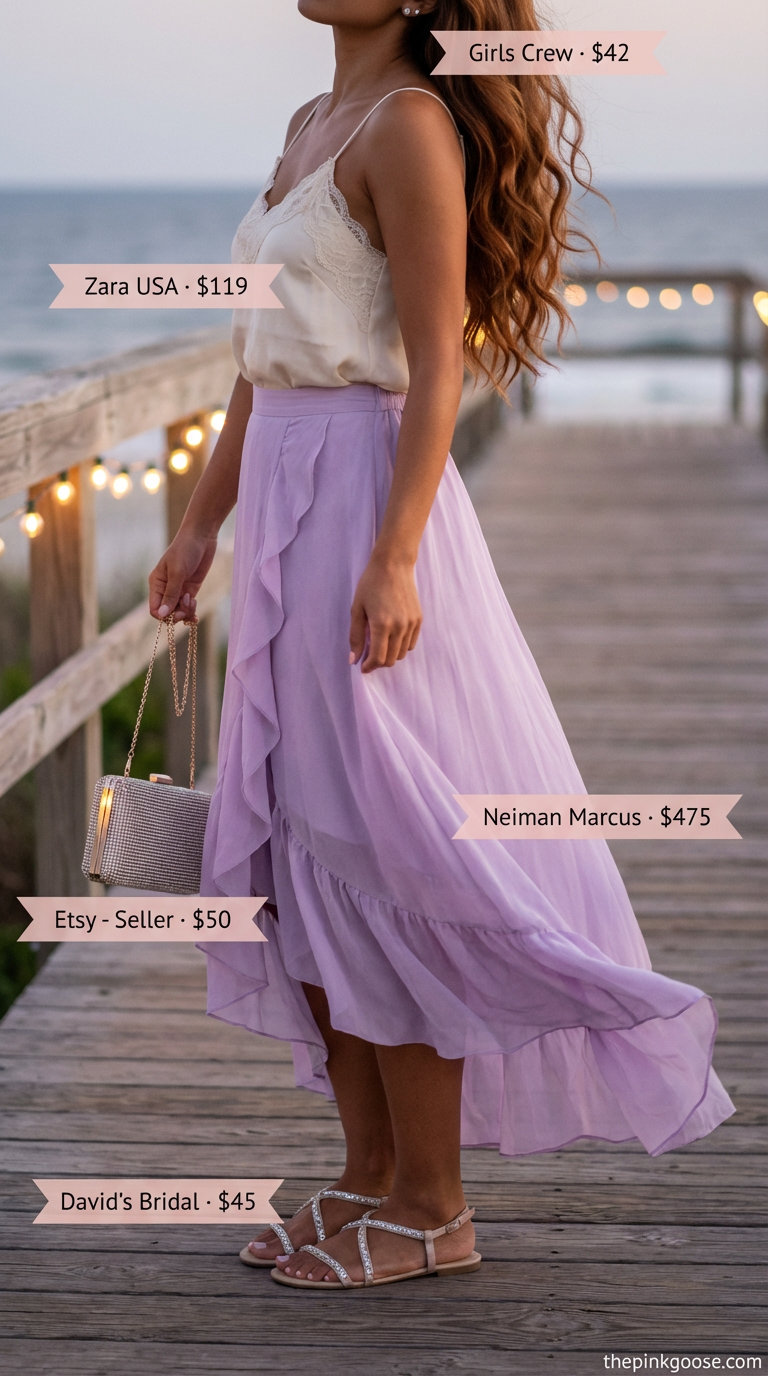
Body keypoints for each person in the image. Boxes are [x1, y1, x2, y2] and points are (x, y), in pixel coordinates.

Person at [148, 0, 736, 1291]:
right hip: (289, 504)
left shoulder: (411, 125)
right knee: (301, 845)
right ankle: (366, 1182)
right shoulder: (314, 122)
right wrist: (199, 523)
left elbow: (436, 360)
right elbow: (259, 355)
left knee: (389, 842)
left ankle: (434, 1206)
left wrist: (398, 553)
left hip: (365, 498)